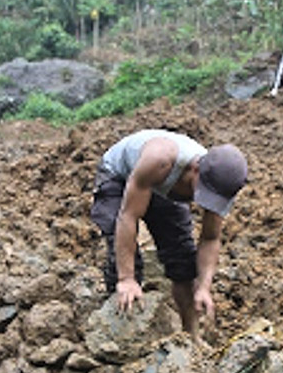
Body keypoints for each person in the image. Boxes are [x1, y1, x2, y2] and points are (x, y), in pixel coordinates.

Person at [91, 129, 248, 338]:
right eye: (204, 193)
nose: (205, 200)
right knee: (122, 260)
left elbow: (211, 238)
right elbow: (128, 217)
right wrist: (127, 278)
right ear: (195, 168)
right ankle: (120, 335)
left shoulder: (220, 183)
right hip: (120, 176)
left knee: (183, 259)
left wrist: (203, 287)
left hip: (162, 188)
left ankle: (190, 336)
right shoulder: (160, 160)